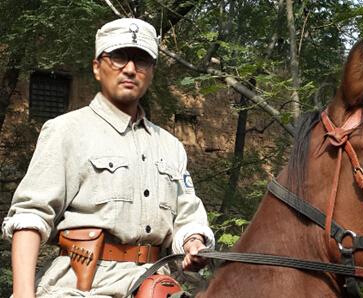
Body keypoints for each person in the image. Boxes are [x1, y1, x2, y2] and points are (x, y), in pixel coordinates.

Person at [1, 18, 215, 298]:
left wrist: (194, 242)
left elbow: (187, 216)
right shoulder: (66, 131)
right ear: (96, 67)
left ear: (151, 72)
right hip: (81, 288)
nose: (129, 69)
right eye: (118, 57)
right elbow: (30, 217)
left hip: (157, 286)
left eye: (141, 60)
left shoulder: (171, 146)